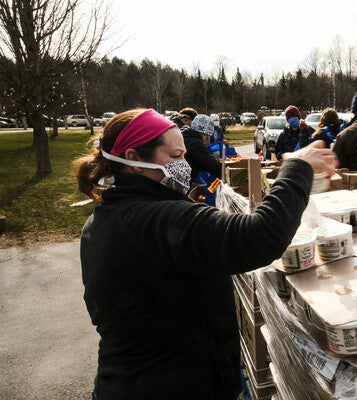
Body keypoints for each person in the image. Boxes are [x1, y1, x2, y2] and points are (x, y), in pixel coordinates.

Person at [72, 108, 337, 400]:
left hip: (121, 383)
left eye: (184, 155)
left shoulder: (102, 220)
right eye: (174, 157)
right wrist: (297, 168)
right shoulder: (161, 219)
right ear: (133, 159)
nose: (184, 165)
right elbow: (259, 237)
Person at [179, 112, 222, 179]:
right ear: (205, 134)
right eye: (209, 136)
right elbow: (210, 164)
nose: (209, 139)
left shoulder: (186, 136)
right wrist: (227, 171)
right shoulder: (194, 143)